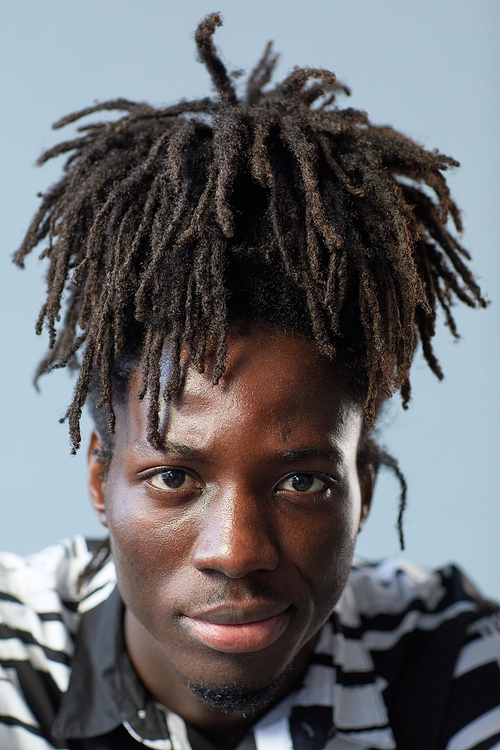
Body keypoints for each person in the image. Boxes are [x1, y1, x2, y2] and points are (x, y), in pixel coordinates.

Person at [1, 12, 499, 750]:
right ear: (101, 478)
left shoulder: (457, 662)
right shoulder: (16, 667)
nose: (236, 551)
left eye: (302, 482)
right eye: (173, 476)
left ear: (362, 486)